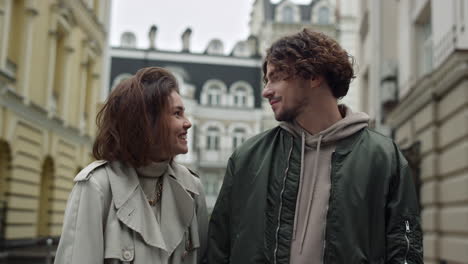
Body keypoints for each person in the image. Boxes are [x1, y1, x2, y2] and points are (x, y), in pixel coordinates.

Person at [207, 29, 423, 264]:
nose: (266, 90)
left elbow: (404, 250)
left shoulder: (382, 157)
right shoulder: (248, 158)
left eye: (277, 77)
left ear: (313, 75)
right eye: (267, 80)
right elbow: (218, 248)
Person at [55, 67, 208, 264]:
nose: (187, 123)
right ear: (146, 121)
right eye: (177, 114)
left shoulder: (192, 188)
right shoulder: (96, 187)